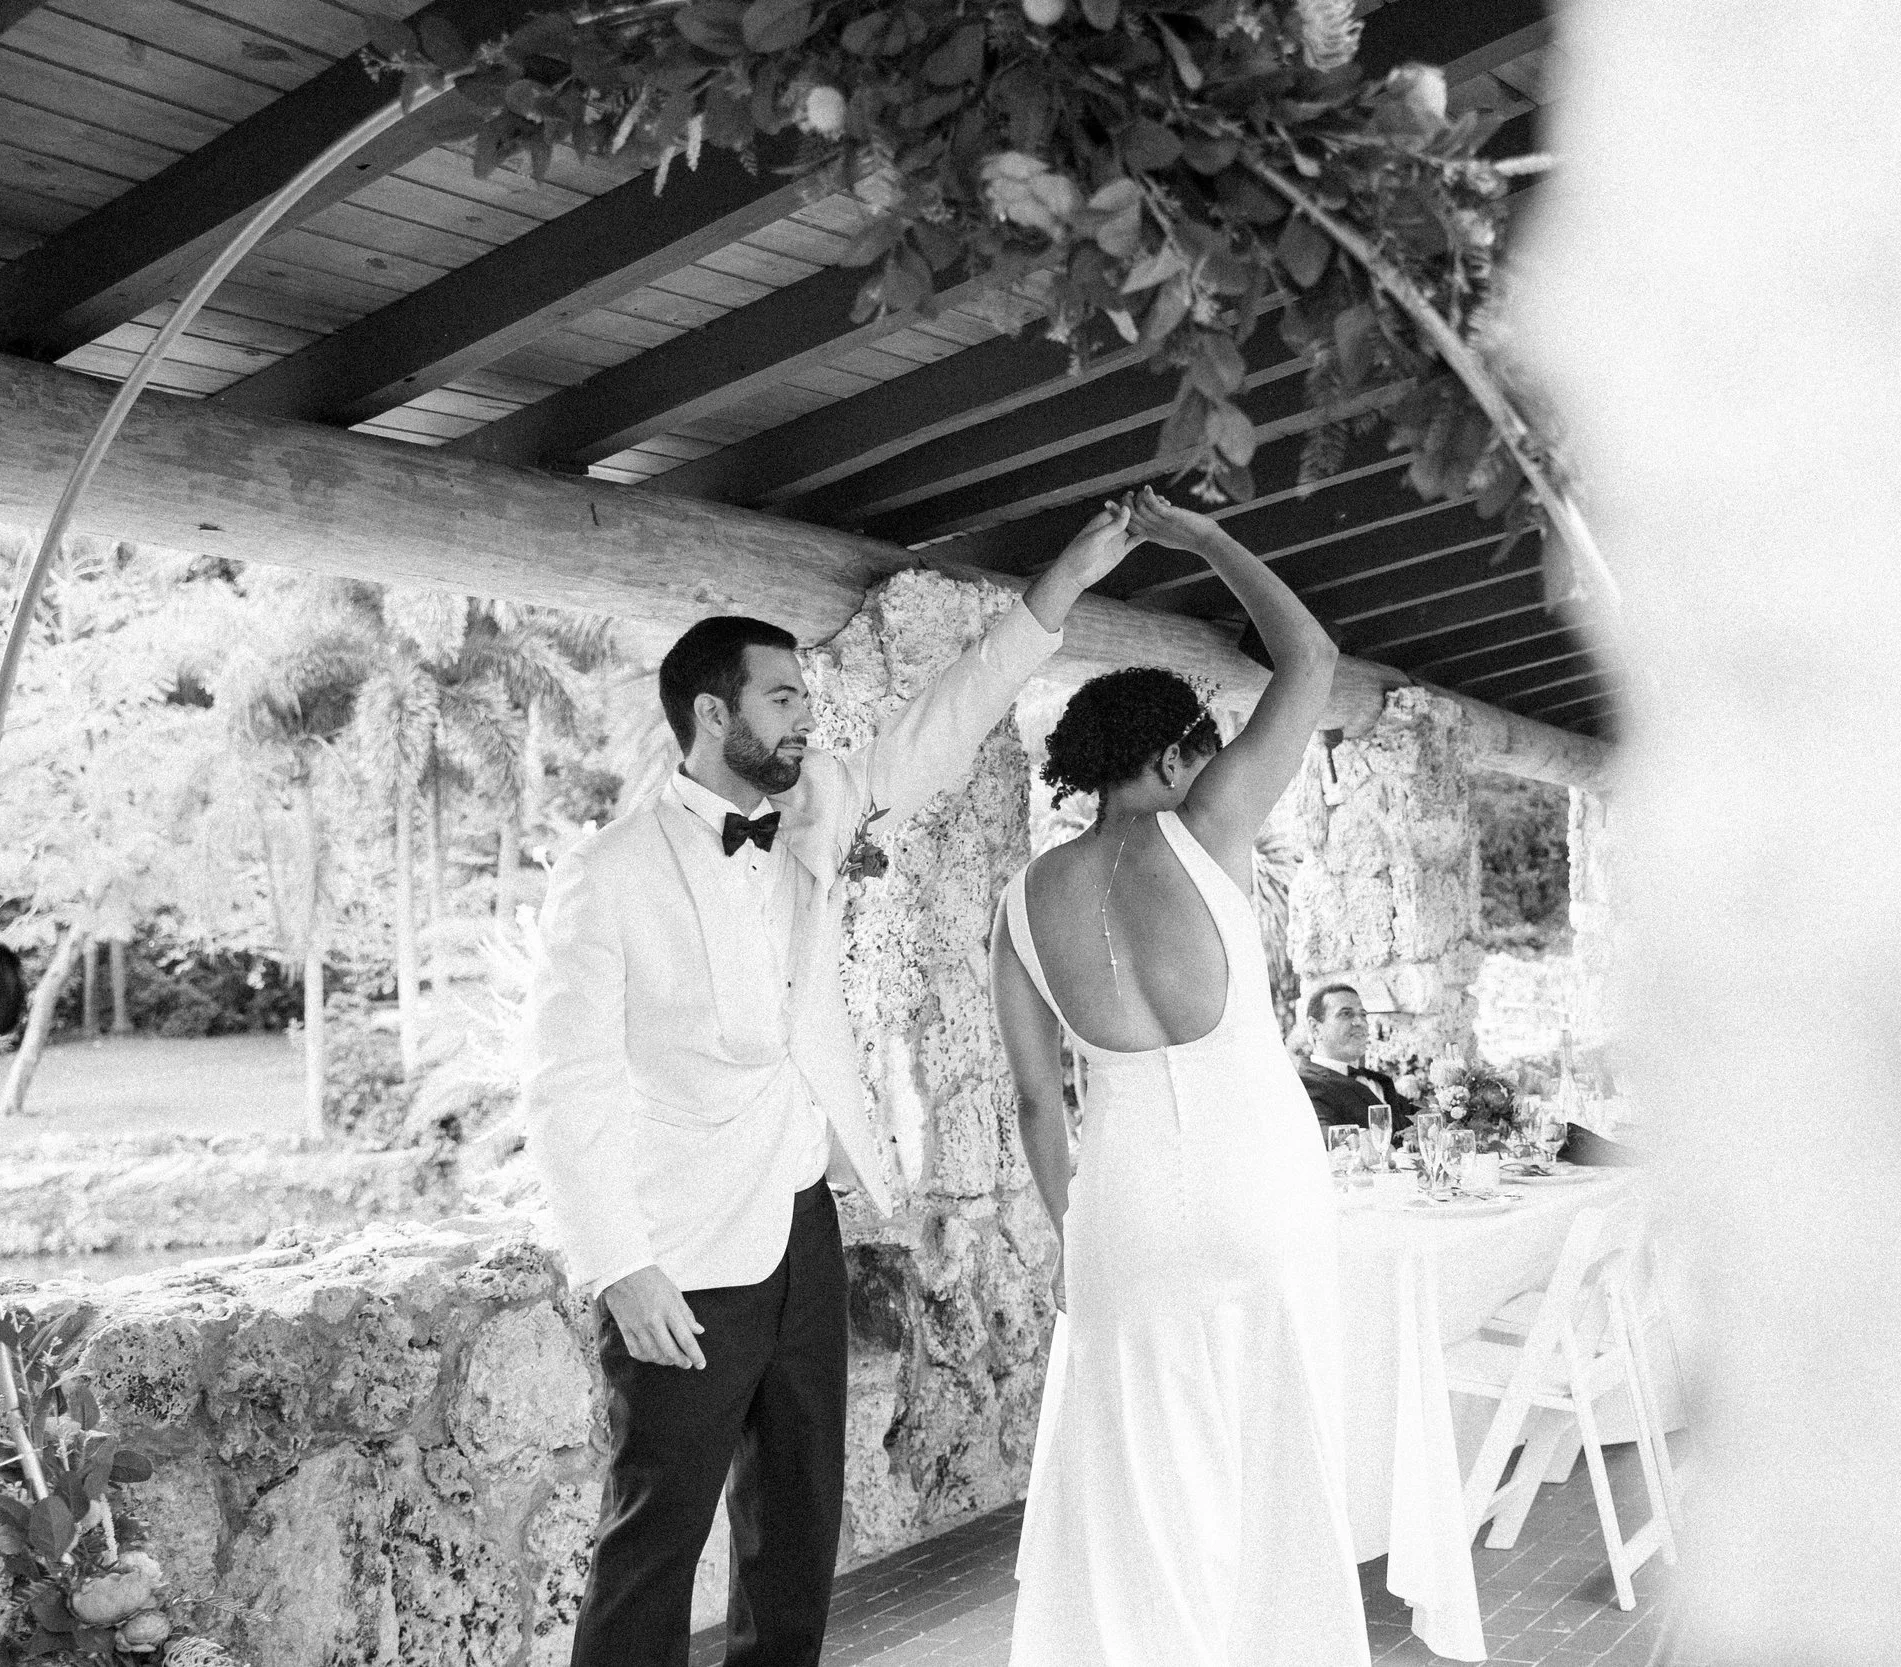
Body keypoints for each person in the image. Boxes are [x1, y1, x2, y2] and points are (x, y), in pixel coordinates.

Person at [520, 508, 1139, 1667]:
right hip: (683, 1248)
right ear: (713, 714)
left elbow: (940, 724)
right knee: (655, 1533)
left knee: (800, 1516)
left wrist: (1058, 587)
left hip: (806, 1219)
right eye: (783, 699)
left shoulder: (816, 809)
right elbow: (567, 1086)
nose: (807, 719)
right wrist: (622, 1262)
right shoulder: (605, 878)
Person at [990, 487, 1368, 1667]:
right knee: (1270, 1447)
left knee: (1135, 1467)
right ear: (1174, 753)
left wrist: (1070, 1233)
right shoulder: (1210, 824)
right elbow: (1310, 655)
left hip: (1123, 1205)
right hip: (1257, 1183)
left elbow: (1037, 1101)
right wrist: (1203, 537)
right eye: (1204, 743)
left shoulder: (1020, 899)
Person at [1297, 982, 1415, 1133]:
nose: (1360, 1022)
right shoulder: (1306, 1085)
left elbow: (1417, 1118)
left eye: (1363, 1015)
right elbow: (1324, 1138)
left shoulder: (1377, 1081)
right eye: (1346, 1014)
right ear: (1315, 1028)